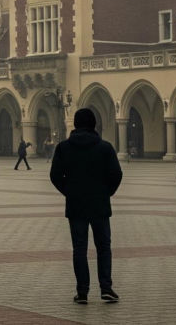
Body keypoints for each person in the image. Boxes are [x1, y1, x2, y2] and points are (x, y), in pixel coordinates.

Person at [49, 108, 123, 305]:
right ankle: (106, 288)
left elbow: (55, 176)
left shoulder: (64, 148)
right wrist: (106, 192)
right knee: (104, 248)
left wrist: (69, 191)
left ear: (75, 124)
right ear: (94, 124)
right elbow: (116, 175)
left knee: (79, 249)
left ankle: (82, 292)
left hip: (76, 205)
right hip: (99, 205)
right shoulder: (105, 148)